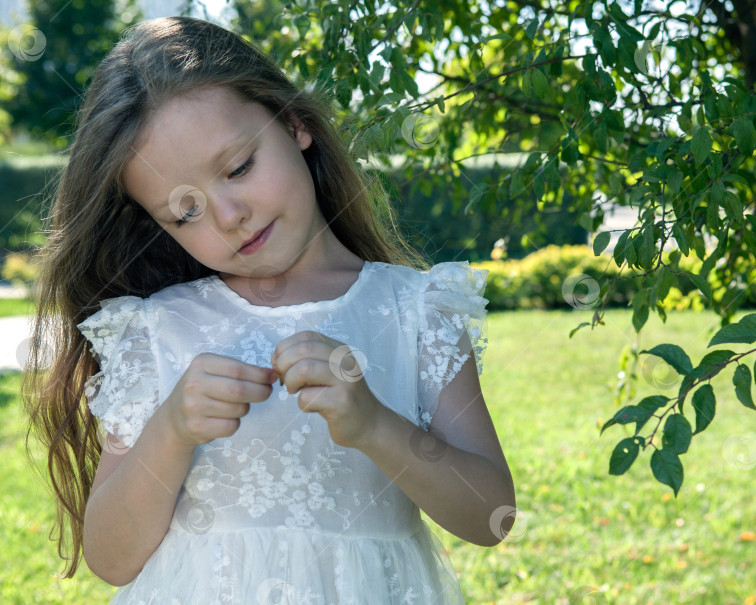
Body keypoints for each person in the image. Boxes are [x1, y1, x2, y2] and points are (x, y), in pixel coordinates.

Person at [21, 15, 515, 604]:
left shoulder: (414, 312)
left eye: (238, 168)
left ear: (295, 123)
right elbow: (111, 557)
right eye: (185, 213)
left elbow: (493, 515)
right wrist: (170, 431)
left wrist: (376, 426)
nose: (229, 215)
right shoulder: (156, 333)